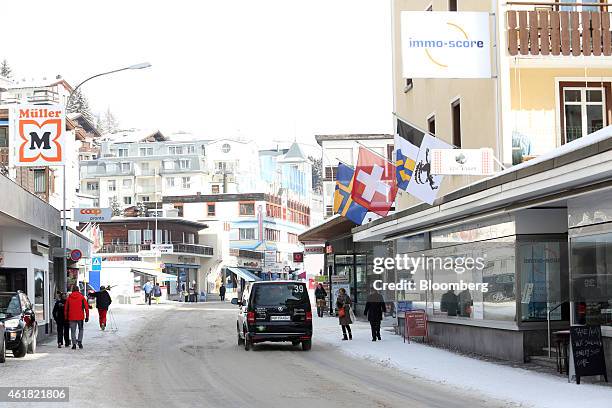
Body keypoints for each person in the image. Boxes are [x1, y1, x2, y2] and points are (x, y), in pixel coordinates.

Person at [64, 285, 89, 349]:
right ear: (78, 290)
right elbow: (86, 307)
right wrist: (87, 316)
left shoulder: (69, 298)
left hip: (71, 317)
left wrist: (66, 316)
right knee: (81, 329)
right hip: (80, 317)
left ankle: (74, 344)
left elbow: (66, 308)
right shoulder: (82, 297)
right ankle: (80, 342)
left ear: (72, 290)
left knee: (73, 331)